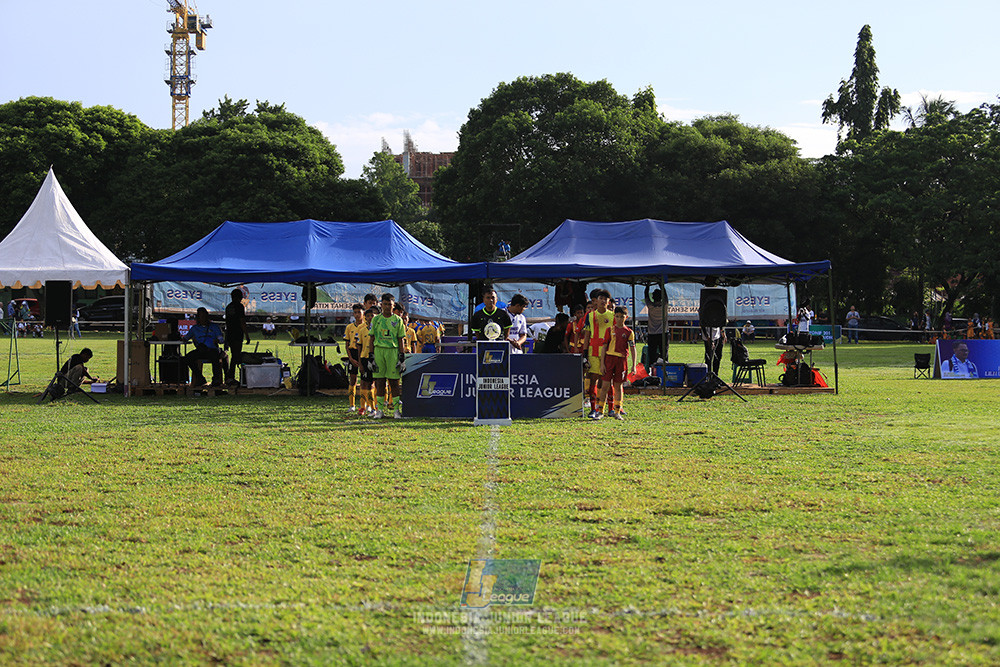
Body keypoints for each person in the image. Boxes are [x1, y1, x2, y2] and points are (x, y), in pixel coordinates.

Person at [592, 306, 636, 420]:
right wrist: (602, 364)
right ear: (614, 317)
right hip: (609, 360)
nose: (619, 319)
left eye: (622, 317)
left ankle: (617, 411)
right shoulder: (609, 330)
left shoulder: (629, 332)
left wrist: (634, 365)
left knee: (618, 386)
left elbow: (633, 348)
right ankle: (600, 411)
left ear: (626, 317)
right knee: (605, 385)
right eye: (617, 316)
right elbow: (604, 347)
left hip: (621, 361)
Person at [368, 294, 407, 419]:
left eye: (390, 304)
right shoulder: (376, 320)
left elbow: (401, 339)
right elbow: (371, 338)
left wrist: (402, 357)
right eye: (385, 304)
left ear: (393, 305)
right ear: (381, 305)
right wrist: (371, 356)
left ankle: (396, 410)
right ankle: (379, 410)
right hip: (379, 351)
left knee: (394, 382)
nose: (387, 307)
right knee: (380, 382)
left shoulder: (398, 320)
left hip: (392, 352)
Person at [582, 289, 614, 411]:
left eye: (605, 299)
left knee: (606, 380)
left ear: (608, 302)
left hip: (608, 352)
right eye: (601, 298)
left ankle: (609, 408)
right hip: (593, 351)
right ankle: (593, 409)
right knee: (593, 378)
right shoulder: (590, 315)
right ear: (596, 300)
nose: (603, 301)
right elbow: (587, 335)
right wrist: (585, 353)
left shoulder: (612, 316)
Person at [182, 307, 225, 386]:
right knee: (187, 358)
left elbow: (221, 340)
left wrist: (218, 340)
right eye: (201, 316)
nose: (203, 318)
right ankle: (200, 378)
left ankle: (216, 380)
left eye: (204, 316)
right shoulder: (194, 328)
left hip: (212, 350)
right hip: (201, 350)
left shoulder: (214, 327)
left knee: (215, 358)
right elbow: (186, 338)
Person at [224, 289, 251, 385]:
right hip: (237, 333)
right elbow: (242, 321)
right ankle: (230, 377)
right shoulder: (239, 306)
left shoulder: (228, 307)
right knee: (236, 355)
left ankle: (229, 376)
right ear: (240, 297)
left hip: (229, 333)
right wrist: (247, 335)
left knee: (233, 355)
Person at [344, 303, 366, 413]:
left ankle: (363, 405)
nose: (357, 315)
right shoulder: (349, 327)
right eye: (355, 312)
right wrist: (350, 358)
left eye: (359, 312)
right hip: (353, 353)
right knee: (352, 379)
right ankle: (351, 405)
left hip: (363, 353)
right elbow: (347, 344)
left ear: (363, 313)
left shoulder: (366, 326)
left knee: (364, 380)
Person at [356, 307, 377, 417]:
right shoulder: (362, 330)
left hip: (375, 358)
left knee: (372, 383)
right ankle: (363, 407)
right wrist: (360, 362)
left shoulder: (378, 329)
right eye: (368, 316)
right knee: (364, 382)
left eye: (372, 316)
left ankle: (373, 407)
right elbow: (359, 347)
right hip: (365, 358)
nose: (370, 318)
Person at [643, 285, 667, 366]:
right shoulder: (664, 305)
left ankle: (652, 369)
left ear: (652, 297)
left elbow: (646, 294)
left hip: (652, 333)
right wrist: (661, 285)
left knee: (652, 354)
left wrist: (648, 285)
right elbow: (665, 296)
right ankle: (664, 369)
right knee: (664, 354)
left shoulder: (650, 306)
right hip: (663, 333)